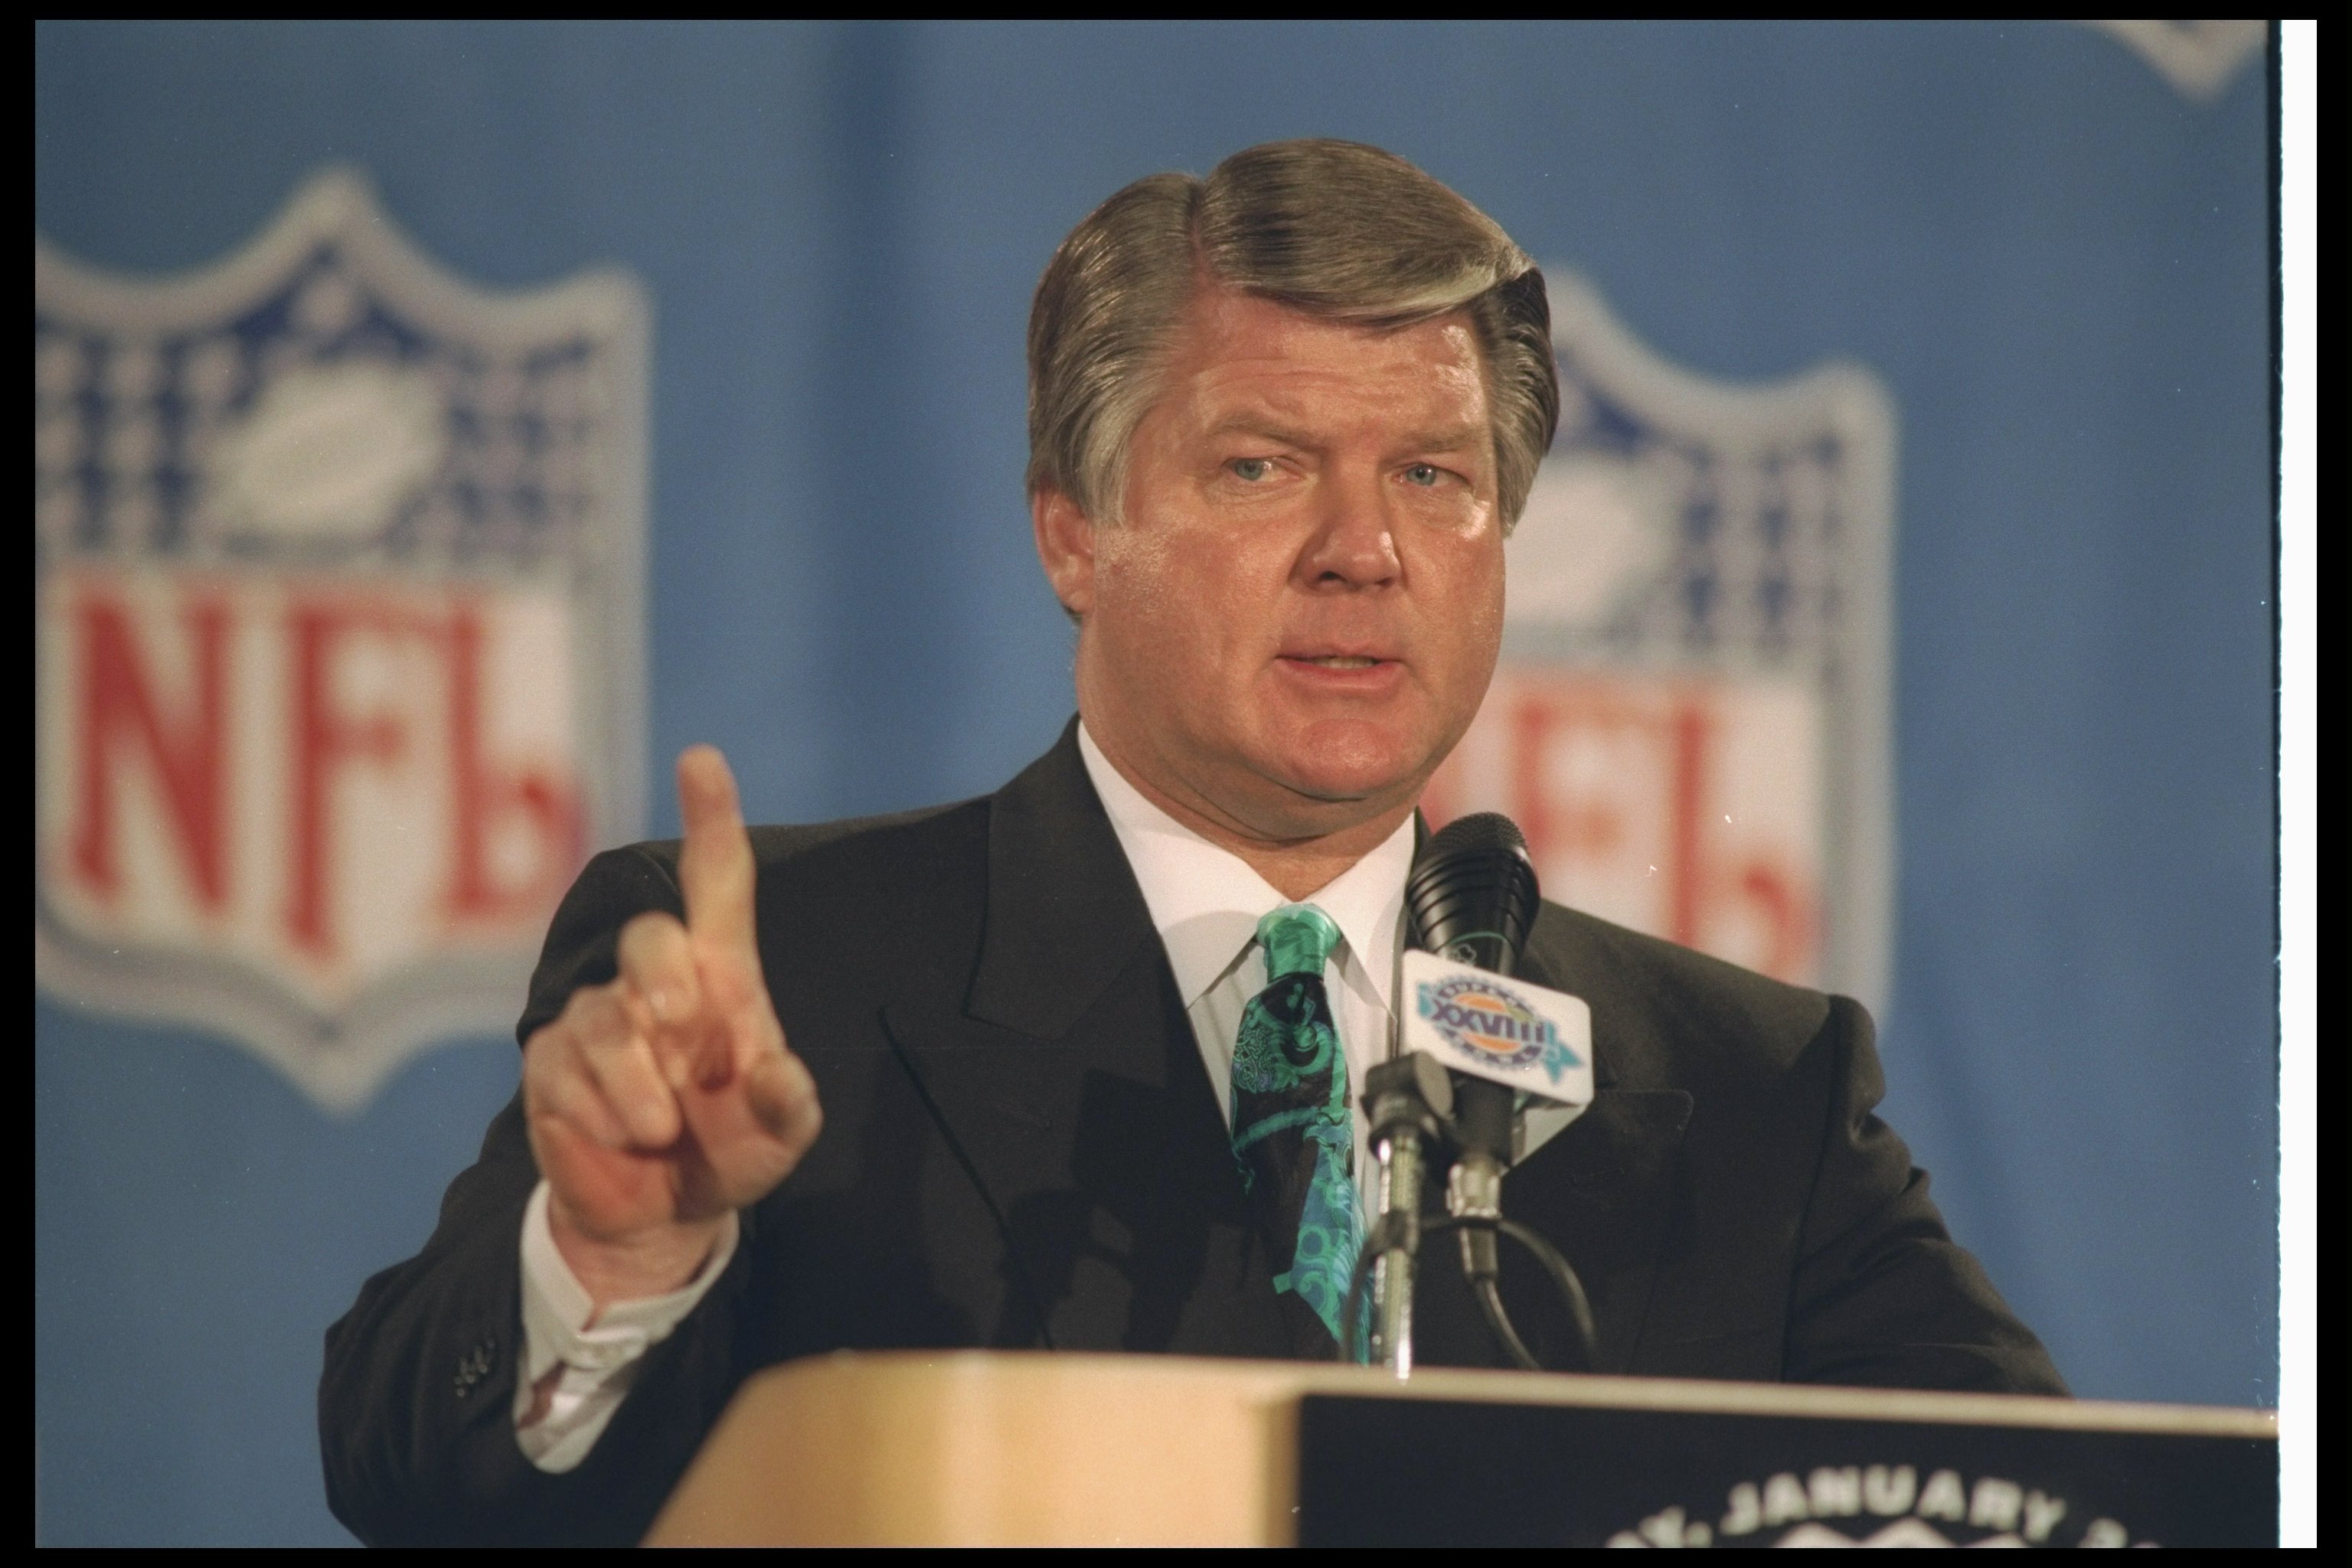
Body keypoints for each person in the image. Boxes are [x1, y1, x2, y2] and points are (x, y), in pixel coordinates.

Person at [319, 139, 2062, 1547]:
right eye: (1260, 467)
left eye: (1437, 480)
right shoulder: (780, 982)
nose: (1365, 550)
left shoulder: (1750, 1087)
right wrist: (622, 1260)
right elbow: (409, 1471)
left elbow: (2053, 1516)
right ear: (1075, 534)